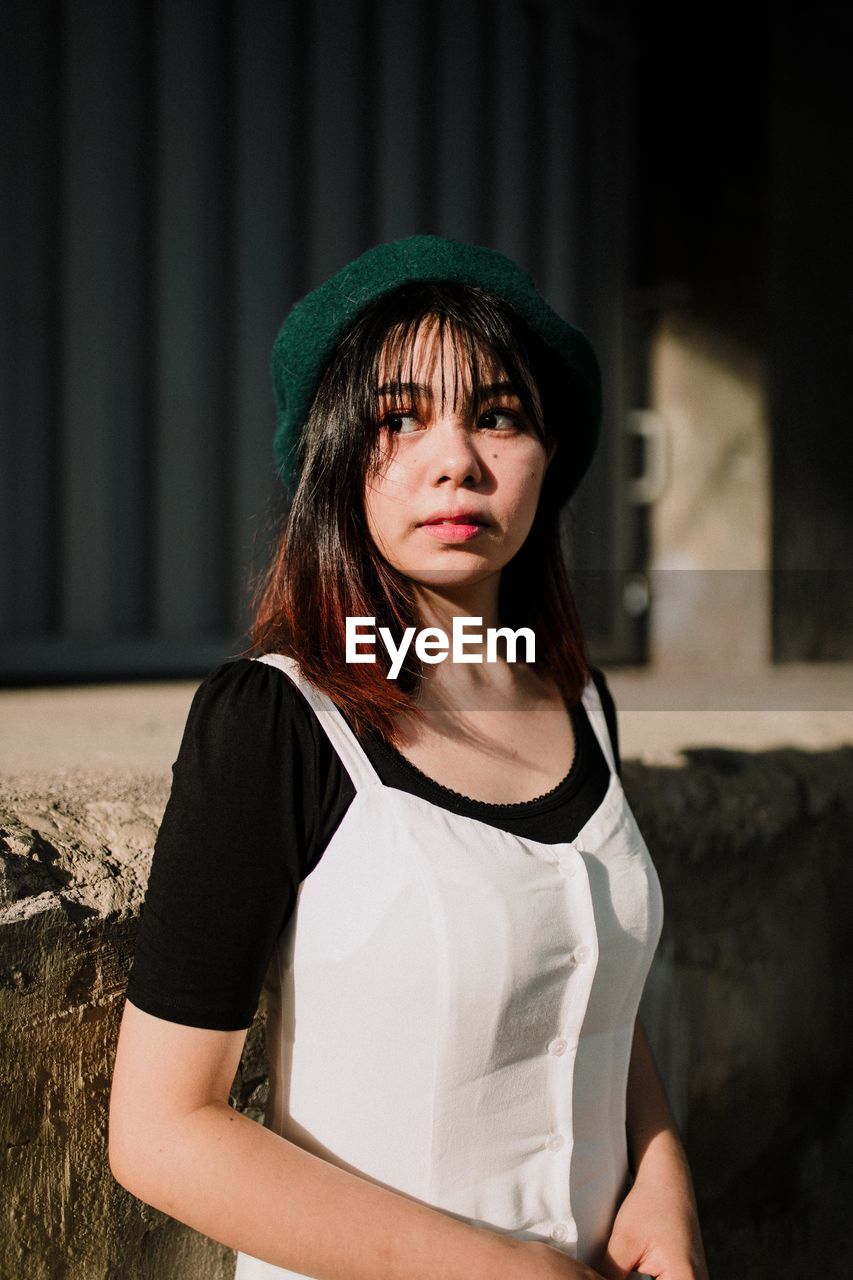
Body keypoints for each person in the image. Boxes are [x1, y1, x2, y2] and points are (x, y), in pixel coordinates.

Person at [109, 235, 709, 1280]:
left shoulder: (583, 702)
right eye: (399, 418)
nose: (456, 461)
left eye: (496, 414)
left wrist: (659, 1171)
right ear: (337, 453)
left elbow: (578, 973)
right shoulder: (277, 722)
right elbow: (160, 1131)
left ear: (548, 453)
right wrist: (491, 1266)